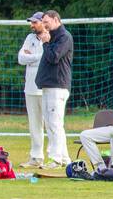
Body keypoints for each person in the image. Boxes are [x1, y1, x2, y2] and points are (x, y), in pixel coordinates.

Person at [36, 10, 74, 169]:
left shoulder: (64, 37)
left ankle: (55, 158)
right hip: (48, 85)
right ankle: (64, 158)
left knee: (55, 123)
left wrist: (45, 42)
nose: (44, 26)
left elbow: (54, 57)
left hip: (57, 86)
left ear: (55, 19)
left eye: (46, 22)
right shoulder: (54, 37)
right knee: (52, 123)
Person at [17, 12, 46, 168]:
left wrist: (32, 56)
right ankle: (36, 157)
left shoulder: (51, 37)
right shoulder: (30, 38)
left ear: (43, 22)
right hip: (30, 88)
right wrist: (37, 57)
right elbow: (21, 58)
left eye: (34, 22)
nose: (32, 25)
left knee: (52, 124)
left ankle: (59, 157)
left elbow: (46, 57)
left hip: (46, 88)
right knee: (34, 124)